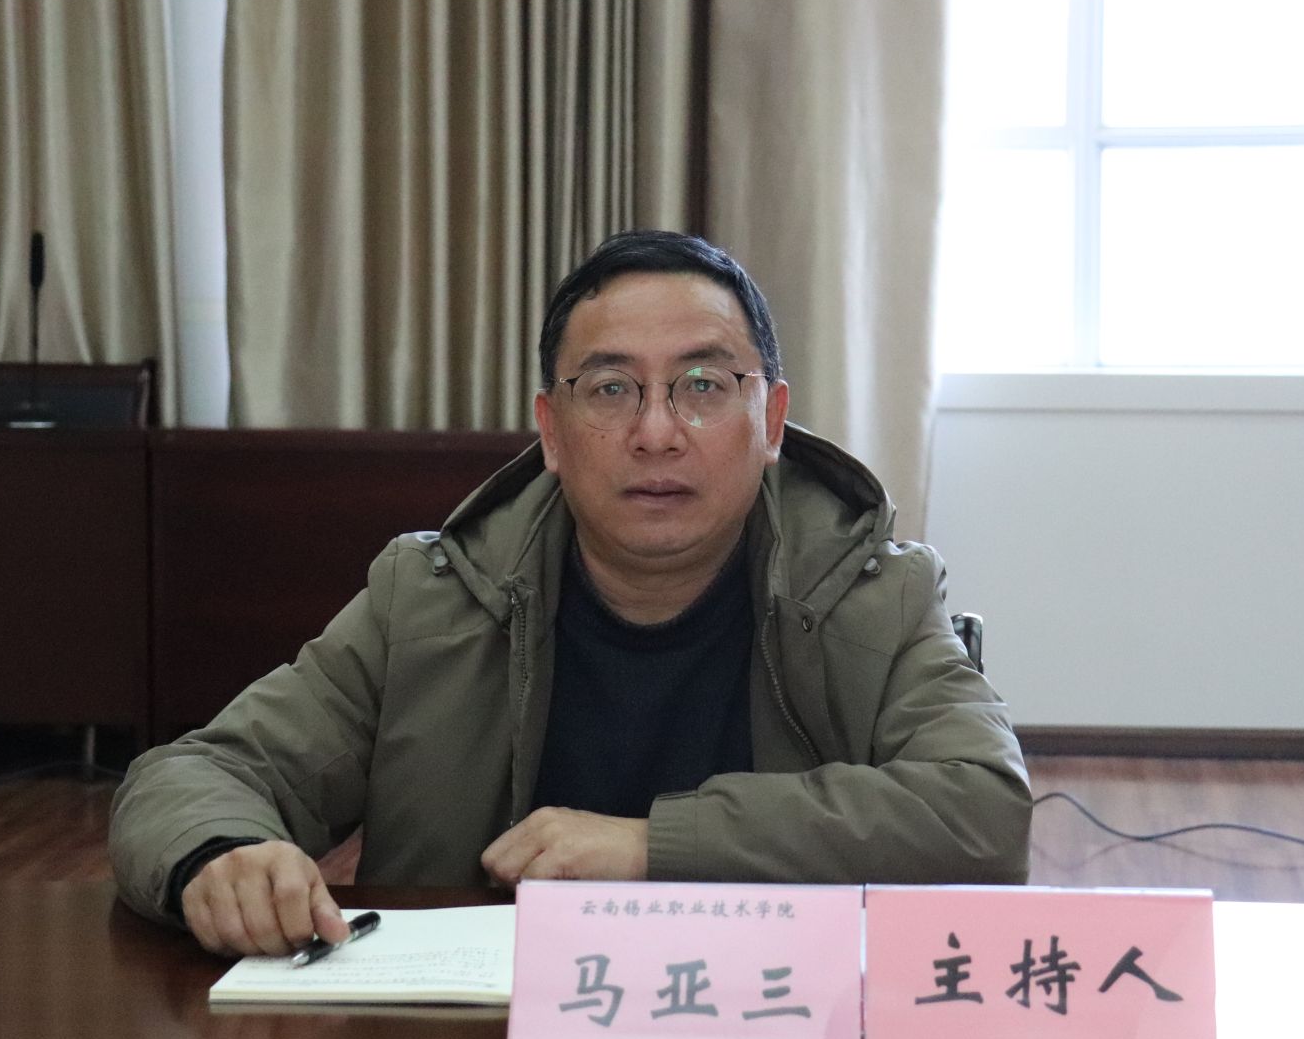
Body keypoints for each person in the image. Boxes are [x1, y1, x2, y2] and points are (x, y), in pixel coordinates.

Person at [110, 230, 1031, 956]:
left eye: (704, 384)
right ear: (550, 430)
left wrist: (652, 846)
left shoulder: (869, 591)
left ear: (772, 420)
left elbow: (981, 810)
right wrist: (219, 854)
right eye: (611, 388)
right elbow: (194, 775)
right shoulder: (432, 599)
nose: (657, 431)